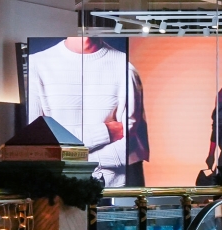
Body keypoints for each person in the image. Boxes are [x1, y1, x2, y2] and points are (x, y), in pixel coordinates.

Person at [28, 36, 146, 187]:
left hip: (110, 192)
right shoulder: (37, 64)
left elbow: (128, 148)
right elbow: (35, 142)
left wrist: (62, 156)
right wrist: (105, 132)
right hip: (53, 190)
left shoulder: (125, 67)